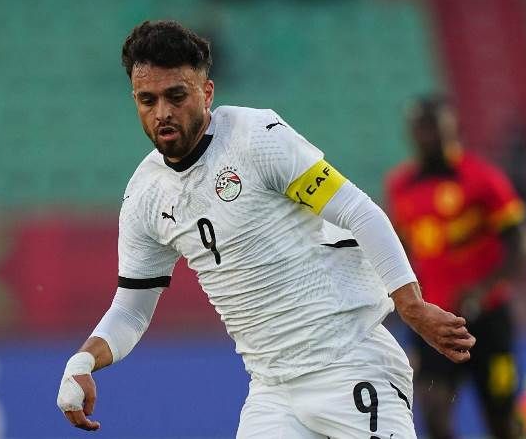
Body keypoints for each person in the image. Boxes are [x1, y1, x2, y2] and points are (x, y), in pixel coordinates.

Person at [56, 21, 475, 437]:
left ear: (207, 93)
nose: (162, 112)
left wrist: (411, 306)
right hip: (273, 391)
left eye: (176, 96)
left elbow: (358, 211)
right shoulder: (144, 196)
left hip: (350, 362)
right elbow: (131, 310)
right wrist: (83, 361)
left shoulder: (255, 138)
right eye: (147, 100)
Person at [384, 96, 526, 439]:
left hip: (488, 319)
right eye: (420, 128)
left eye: (434, 128)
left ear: (453, 129)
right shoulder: (399, 186)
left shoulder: (483, 179)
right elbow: (398, 250)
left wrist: (482, 291)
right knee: (435, 414)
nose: (427, 136)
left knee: (503, 426)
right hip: (434, 321)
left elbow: (524, 245)